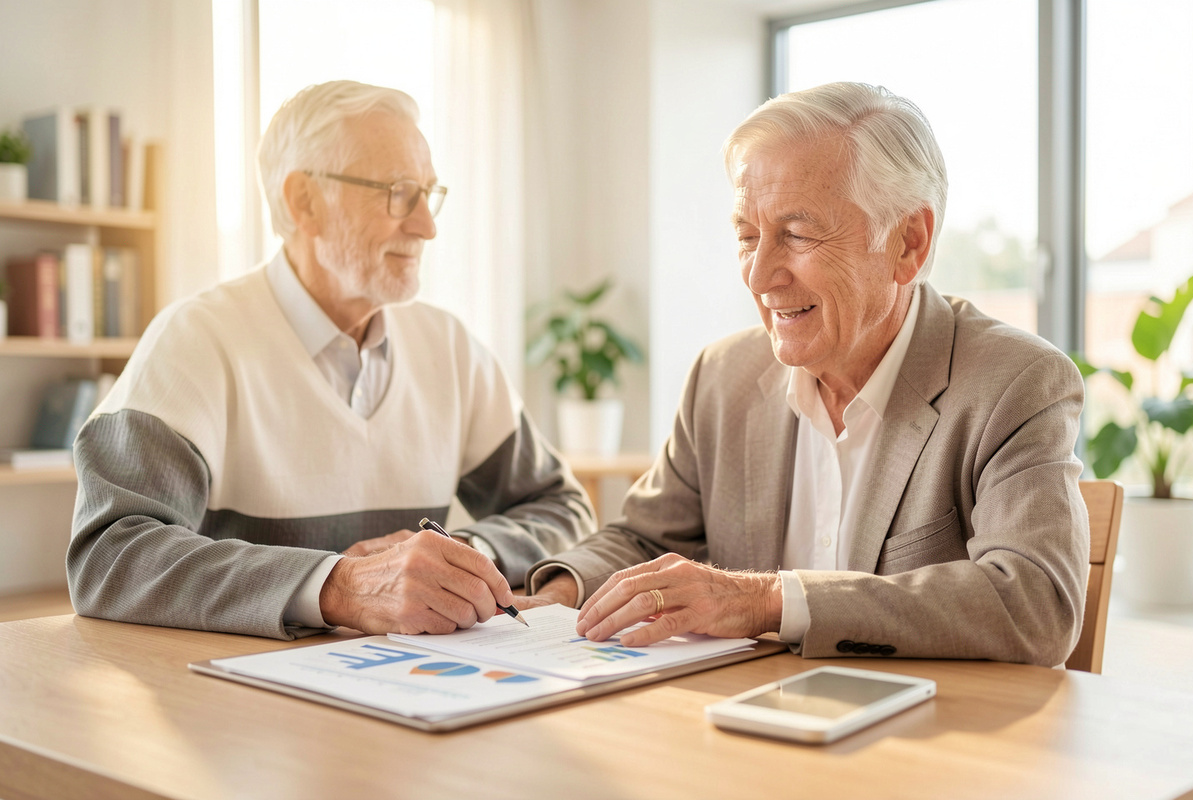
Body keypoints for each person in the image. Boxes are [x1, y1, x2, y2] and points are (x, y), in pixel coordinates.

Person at [523, 82, 1088, 667]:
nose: (760, 275)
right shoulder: (723, 377)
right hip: (738, 727)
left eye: (797, 234)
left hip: (923, 737)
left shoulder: (1016, 383)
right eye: (747, 237)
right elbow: (644, 542)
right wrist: (556, 600)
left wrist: (766, 599)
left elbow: (1035, 602)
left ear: (907, 244)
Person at [68, 80, 594, 640]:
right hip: (237, 704)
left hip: (415, 693)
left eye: (428, 193)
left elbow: (562, 505)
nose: (426, 226)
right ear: (305, 203)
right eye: (397, 192)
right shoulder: (195, 341)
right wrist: (340, 587)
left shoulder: (451, 349)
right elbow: (109, 553)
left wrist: (458, 558)